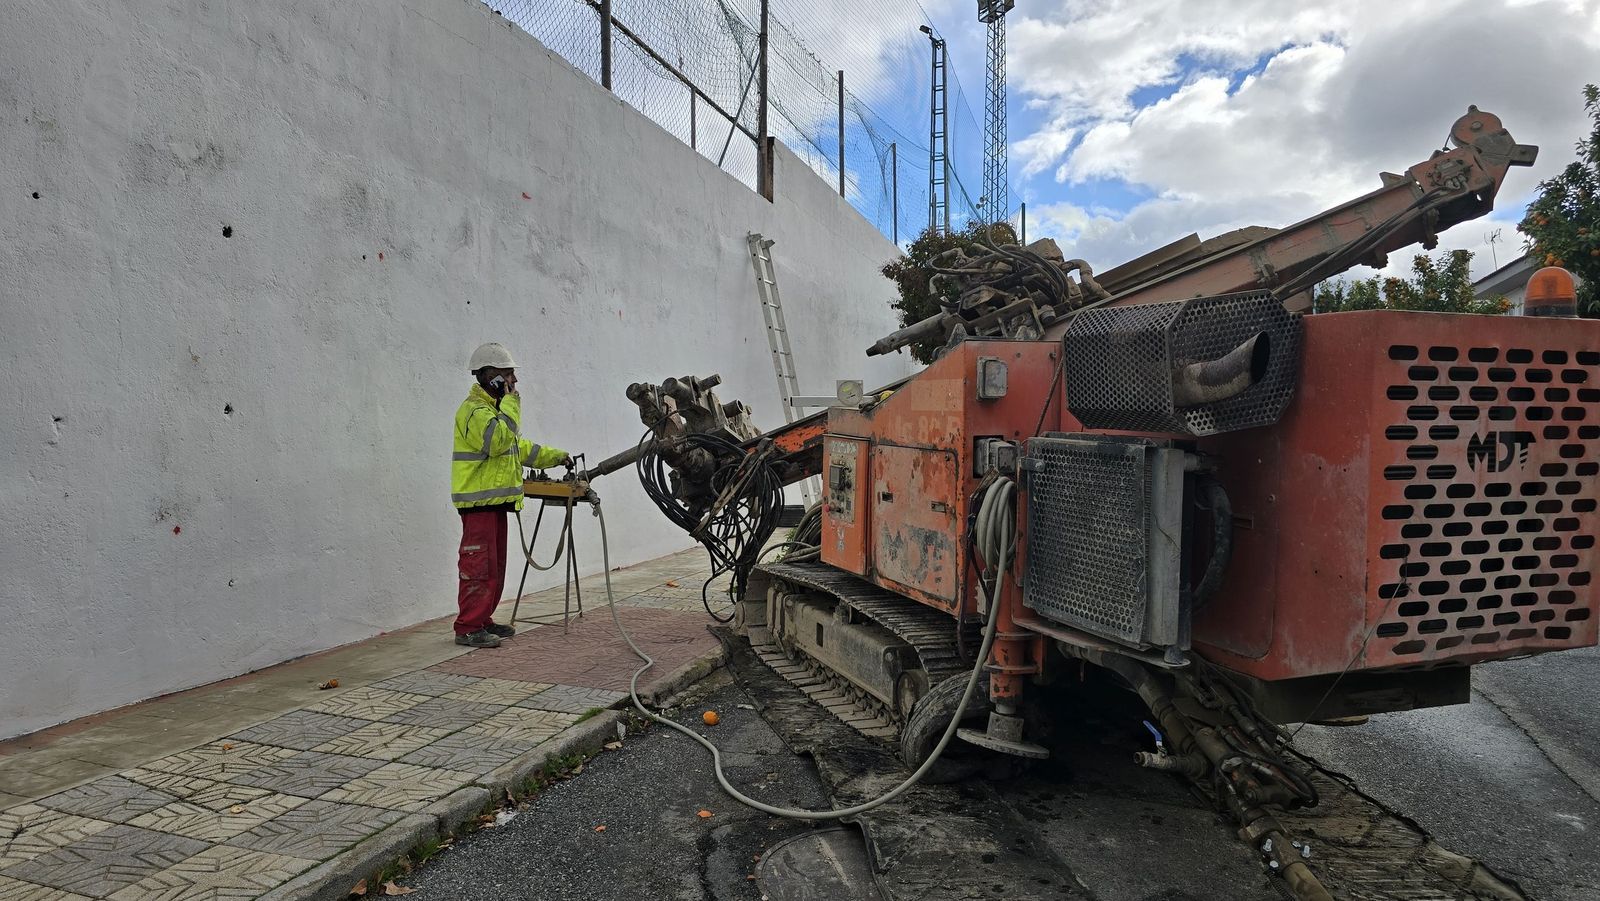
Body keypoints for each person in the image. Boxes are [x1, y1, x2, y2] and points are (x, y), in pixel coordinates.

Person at [450, 342, 571, 648]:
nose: (514, 382)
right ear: (490, 377)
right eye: (508, 375)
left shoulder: (494, 412)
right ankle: (468, 627)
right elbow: (499, 443)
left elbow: (520, 448)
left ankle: (482, 619)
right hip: (478, 506)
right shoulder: (475, 411)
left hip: (494, 505)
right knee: (479, 568)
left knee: (494, 569)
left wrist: (558, 457)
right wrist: (512, 401)